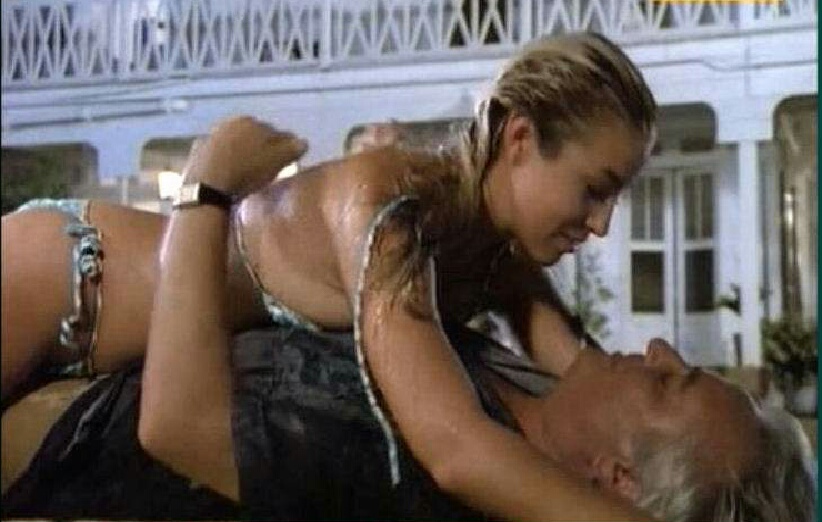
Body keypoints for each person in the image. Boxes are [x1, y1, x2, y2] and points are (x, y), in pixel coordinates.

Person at [3, 32, 663, 520]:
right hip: (68, 280)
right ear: (519, 140)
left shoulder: (498, 262)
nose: (601, 223)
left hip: (102, 357)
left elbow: (590, 382)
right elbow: (454, 446)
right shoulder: (391, 209)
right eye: (593, 189)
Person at [2, 325, 814, 522]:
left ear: (619, 478)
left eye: (669, 383)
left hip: (48, 429)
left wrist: (205, 195)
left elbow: (178, 425)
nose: (659, 348)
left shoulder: (414, 478)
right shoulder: (525, 388)